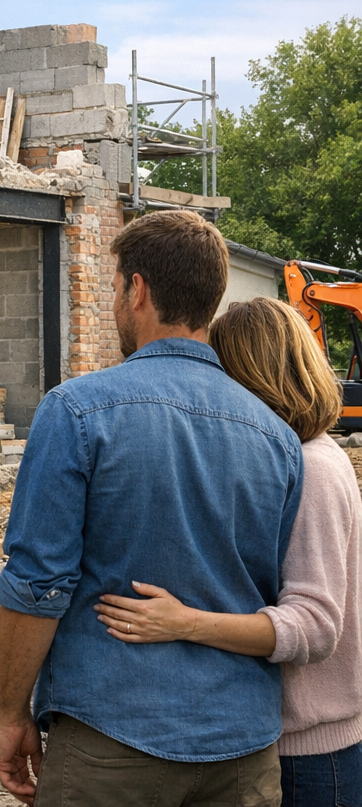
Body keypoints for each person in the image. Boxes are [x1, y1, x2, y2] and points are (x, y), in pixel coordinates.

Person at [0, 210, 303, 806]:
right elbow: (276, 589)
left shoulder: (77, 411)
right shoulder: (277, 436)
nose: (113, 303)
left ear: (137, 290)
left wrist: (12, 713)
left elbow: (37, 583)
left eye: (113, 287)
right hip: (245, 749)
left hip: (113, 740)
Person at [96, 297, 362, 807]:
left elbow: (315, 625)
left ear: (248, 374)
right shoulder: (287, 458)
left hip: (309, 755)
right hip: (269, 741)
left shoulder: (315, 469)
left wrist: (183, 622)